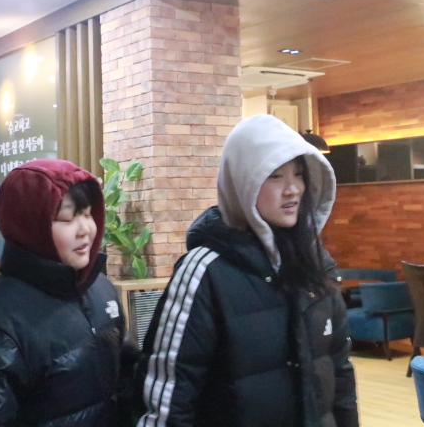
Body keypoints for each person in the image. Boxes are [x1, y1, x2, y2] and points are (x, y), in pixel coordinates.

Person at [136, 115, 359, 427]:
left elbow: (339, 370)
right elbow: (169, 397)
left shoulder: (315, 262)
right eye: (276, 176)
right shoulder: (205, 272)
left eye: (299, 175)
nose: (293, 189)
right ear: (243, 182)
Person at [0, 159, 136, 427]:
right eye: (67, 218)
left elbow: (126, 382)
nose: (85, 230)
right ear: (30, 227)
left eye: (88, 214)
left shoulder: (101, 289)